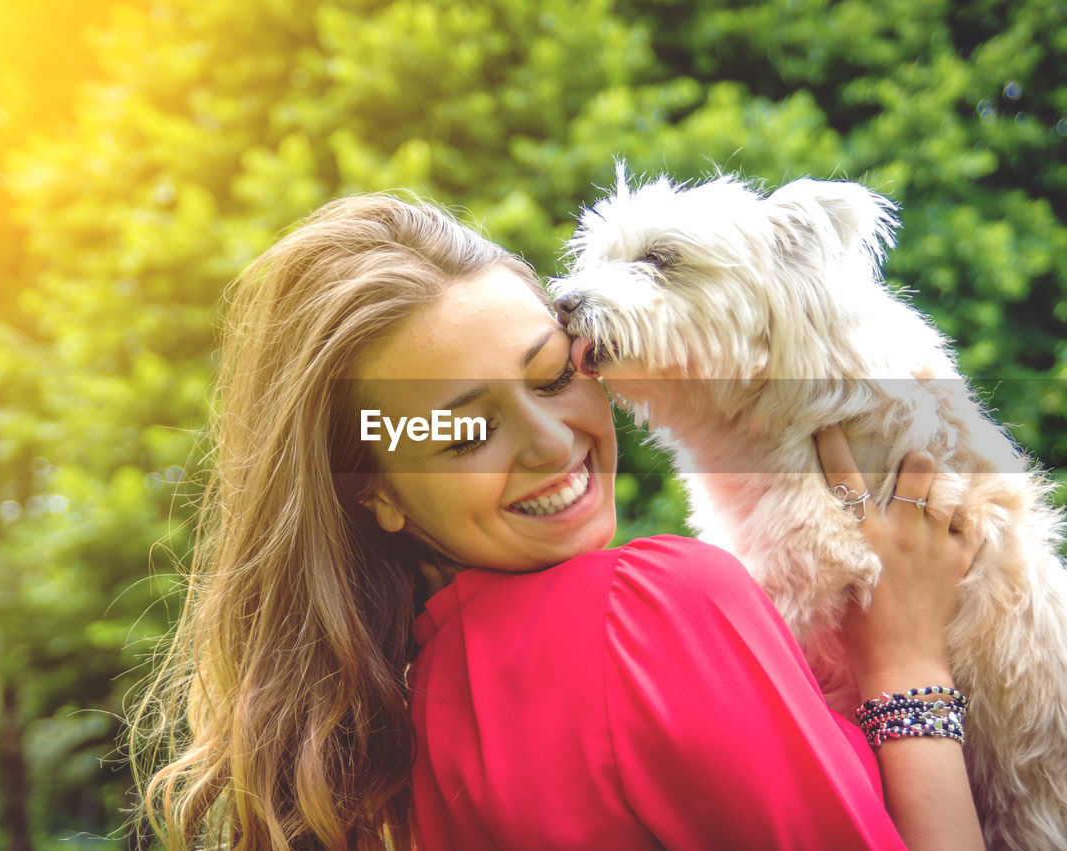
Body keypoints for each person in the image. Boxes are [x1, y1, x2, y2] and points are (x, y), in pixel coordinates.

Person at [129, 193, 985, 850]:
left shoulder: (395, 741)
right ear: (374, 488)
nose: (549, 444)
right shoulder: (651, 609)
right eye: (465, 431)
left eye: (550, 376)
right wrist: (907, 660)